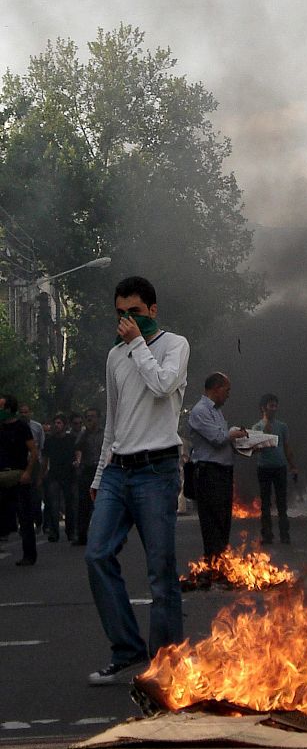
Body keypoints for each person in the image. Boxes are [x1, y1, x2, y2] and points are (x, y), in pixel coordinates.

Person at [85, 276, 189, 685]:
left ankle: (166, 665)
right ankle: (127, 649)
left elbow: (163, 385)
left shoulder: (174, 345)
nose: (127, 321)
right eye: (120, 314)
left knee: (160, 571)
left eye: (135, 313)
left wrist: (137, 345)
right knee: (96, 554)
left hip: (156, 471)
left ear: (153, 310)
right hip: (117, 470)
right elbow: (113, 420)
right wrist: (99, 473)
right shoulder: (114, 357)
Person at [188, 373, 247, 560]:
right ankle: (213, 564)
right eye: (227, 390)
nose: (228, 395)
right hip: (209, 473)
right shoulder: (200, 411)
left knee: (223, 521)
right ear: (216, 388)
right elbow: (218, 438)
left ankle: (222, 564)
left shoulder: (216, 411)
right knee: (212, 521)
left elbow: (225, 440)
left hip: (222, 472)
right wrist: (233, 434)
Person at [252, 393, 297, 545]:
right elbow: (255, 450)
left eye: (275, 405)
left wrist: (293, 466)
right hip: (264, 468)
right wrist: (264, 436)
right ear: (263, 408)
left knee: (281, 503)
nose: (274, 408)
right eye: (271, 405)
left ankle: (285, 534)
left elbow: (287, 447)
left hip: (280, 467)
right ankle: (267, 534)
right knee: (265, 503)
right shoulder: (257, 427)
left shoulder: (282, 426)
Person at [0, 394, 38, 565]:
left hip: (19, 475)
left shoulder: (22, 427)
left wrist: (28, 472)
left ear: (9, 409)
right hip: (2, 476)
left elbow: (34, 452)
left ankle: (29, 555)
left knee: (25, 516)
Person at [41, 414, 76, 542]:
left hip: (69, 475)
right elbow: (45, 459)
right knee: (53, 505)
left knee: (69, 505)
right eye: (55, 423)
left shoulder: (71, 439)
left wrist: (77, 464)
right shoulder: (49, 440)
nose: (57, 425)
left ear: (65, 425)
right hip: (54, 475)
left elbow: (77, 453)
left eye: (59, 423)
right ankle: (54, 532)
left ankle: (70, 531)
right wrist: (42, 474)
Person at [73, 407, 104, 545]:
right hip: (87, 470)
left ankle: (111, 534)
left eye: (92, 416)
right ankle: (81, 535)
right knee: (84, 504)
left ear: (98, 418)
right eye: (88, 416)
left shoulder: (104, 434)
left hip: (102, 470)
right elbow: (77, 448)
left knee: (104, 503)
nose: (90, 419)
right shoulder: (83, 434)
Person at [18, 403, 45, 532]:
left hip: (34, 463)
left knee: (35, 495)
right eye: (21, 412)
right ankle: (23, 524)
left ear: (30, 413)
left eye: (26, 412)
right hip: (20, 464)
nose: (23, 415)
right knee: (21, 495)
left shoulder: (37, 427)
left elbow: (42, 448)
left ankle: (38, 521)